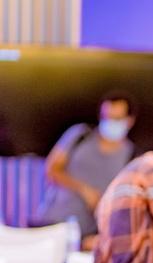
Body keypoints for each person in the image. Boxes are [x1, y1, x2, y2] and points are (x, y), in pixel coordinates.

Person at [32, 91, 138, 249]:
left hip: (86, 236)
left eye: (116, 118)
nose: (110, 122)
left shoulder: (131, 156)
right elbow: (52, 169)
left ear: (129, 120)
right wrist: (84, 190)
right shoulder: (80, 136)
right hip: (51, 224)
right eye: (106, 117)